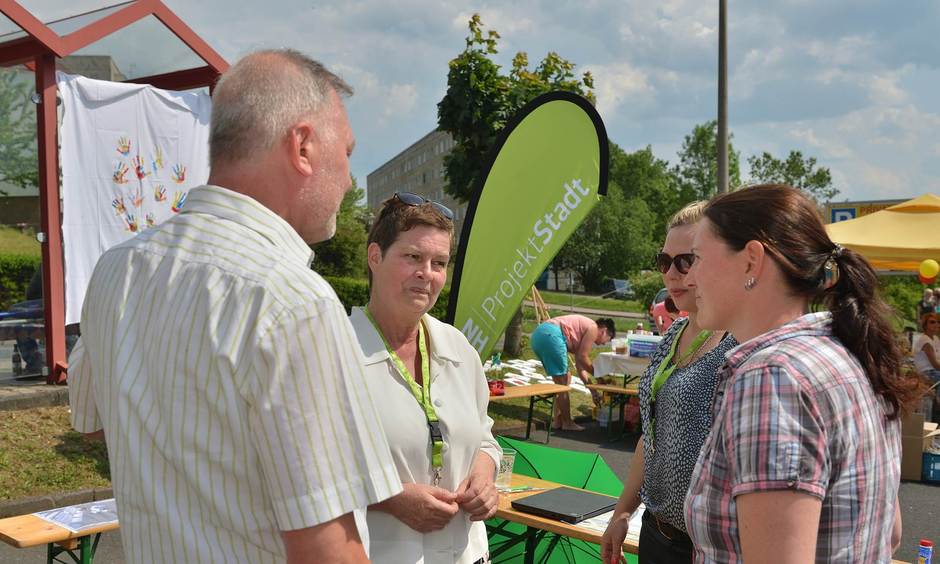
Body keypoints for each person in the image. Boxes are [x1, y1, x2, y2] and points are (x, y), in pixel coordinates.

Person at [67, 50, 402, 564]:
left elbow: (94, 421)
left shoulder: (117, 268)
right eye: (349, 153)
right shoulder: (291, 299)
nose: (351, 180)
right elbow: (327, 551)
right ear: (304, 146)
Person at [683, 184, 922, 562]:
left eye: (696, 258)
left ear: (751, 261)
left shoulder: (772, 378)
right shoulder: (848, 352)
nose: (689, 277)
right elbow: (890, 535)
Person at [349, 192, 501, 563]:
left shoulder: (457, 347)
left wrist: (485, 478)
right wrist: (390, 498)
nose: (427, 274)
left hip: (467, 555)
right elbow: (300, 468)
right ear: (375, 257)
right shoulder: (335, 352)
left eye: (439, 262)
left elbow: (485, 438)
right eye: (413, 257)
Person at [600, 202, 736, 564]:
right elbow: (652, 432)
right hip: (656, 532)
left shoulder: (739, 342)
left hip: (709, 546)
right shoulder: (674, 333)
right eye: (664, 261)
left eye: (685, 261)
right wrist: (623, 512)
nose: (671, 274)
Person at [530, 314, 615, 431]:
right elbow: (583, 357)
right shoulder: (593, 328)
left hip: (539, 335)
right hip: (551, 335)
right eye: (608, 340)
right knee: (563, 381)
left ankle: (558, 421)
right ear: (604, 331)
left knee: (561, 383)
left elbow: (581, 368)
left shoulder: (583, 332)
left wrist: (593, 392)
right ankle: (567, 423)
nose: (604, 344)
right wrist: (598, 374)